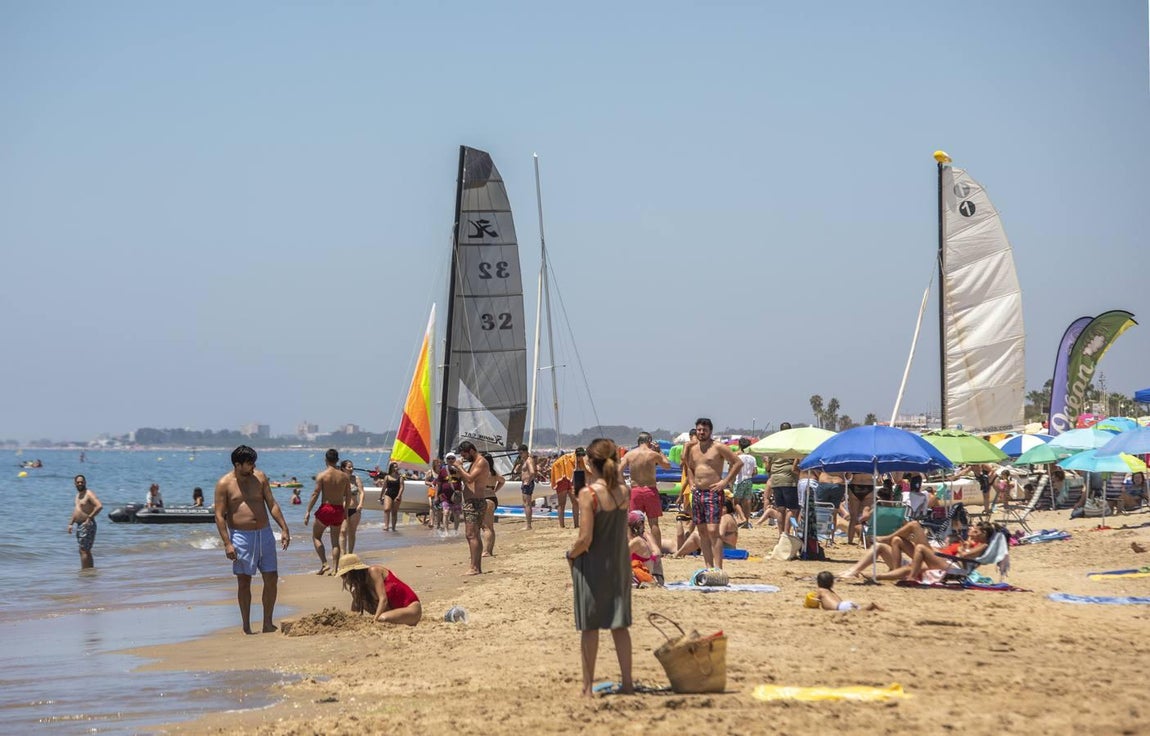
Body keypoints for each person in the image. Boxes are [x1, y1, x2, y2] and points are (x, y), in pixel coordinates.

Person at [566, 438, 632, 697]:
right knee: (619, 625)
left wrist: (570, 554)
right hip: (619, 565)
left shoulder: (588, 494)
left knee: (590, 627)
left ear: (589, 463)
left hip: (593, 565)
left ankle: (587, 688)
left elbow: (585, 539)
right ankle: (627, 684)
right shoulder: (624, 493)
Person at [213, 445, 291, 634]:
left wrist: (284, 528)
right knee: (244, 581)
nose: (253, 467)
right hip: (241, 536)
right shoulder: (224, 484)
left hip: (264, 533)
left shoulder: (260, 477)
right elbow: (219, 515)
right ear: (237, 465)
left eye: (254, 463)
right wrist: (227, 543)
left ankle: (267, 623)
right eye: (249, 464)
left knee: (271, 577)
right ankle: (246, 626)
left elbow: (271, 504)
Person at [682, 418, 742, 569]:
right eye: (699, 430)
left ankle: (718, 568)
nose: (701, 433)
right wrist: (691, 483)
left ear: (710, 431)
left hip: (713, 492)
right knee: (701, 531)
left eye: (704, 430)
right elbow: (689, 466)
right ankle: (708, 567)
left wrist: (725, 481)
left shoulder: (718, 447)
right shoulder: (693, 448)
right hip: (697, 492)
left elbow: (737, 462)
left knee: (713, 530)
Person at [620, 432, 671, 561]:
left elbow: (617, 470)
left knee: (633, 523)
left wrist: (623, 485)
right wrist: (660, 451)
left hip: (636, 490)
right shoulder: (652, 454)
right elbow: (667, 465)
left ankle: (632, 549)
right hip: (650, 490)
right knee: (654, 523)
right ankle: (657, 551)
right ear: (649, 441)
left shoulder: (630, 454)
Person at [336, 553, 422, 626]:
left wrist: (375, 620)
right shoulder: (361, 585)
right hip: (394, 611)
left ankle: (380, 618)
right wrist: (352, 619)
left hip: (411, 609)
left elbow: (383, 599)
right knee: (357, 594)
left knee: (382, 619)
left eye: (344, 575)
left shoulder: (374, 571)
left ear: (352, 572)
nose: (344, 579)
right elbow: (356, 604)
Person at [303, 449, 352, 576]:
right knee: (335, 541)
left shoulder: (322, 475)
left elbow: (315, 494)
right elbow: (348, 496)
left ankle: (325, 564)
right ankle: (335, 569)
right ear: (337, 460)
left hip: (326, 508)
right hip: (339, 510)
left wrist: (308, 510)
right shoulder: (345, 476)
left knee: (316, 536)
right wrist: (345, 512)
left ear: (326, 460)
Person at [450, 441, 491, 575]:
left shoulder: (480, 462)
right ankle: (476, 566)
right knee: (473, 535)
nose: (465, 458)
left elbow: (470, 479)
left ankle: (474, 567)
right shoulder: (475, 462)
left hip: (475, 502)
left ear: (471, 451)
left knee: (471, 535)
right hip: (472, 501)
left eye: (465, 455)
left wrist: (460, 466)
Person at [765, 422, 800, 537]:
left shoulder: (775, 443)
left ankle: (781, 534)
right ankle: (786, 533)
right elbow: (796, 461)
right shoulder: (793, 443)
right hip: (789, 479)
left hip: (775, 479)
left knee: (780, 509)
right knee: (792, 509)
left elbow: (768, 467)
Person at [68, 474, 103, 569]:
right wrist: (71, 523)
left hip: (87, 525)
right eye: (78, 482)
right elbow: (76, 510)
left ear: (85, 483)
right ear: (75, 483)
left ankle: (85, 571)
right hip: (80, 525)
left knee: (84, 550)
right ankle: (89, 571)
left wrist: (89, 518)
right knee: (84, 550)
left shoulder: (88, 493)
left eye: (82, 482)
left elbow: (99, 506)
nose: (80, 483)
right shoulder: (78, 495)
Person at [805, 571, 879, 611]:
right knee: (860, 610)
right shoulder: (832, 592)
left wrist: (810, 600)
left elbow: (814, 601)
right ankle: (871, 606)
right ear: (832, 583)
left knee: (859, 611)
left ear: (818, 582)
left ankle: (871, 606)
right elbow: (839, 600)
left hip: (840, 607)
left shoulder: (821, 590)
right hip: (845, 603)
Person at [627, 510, 661, 586]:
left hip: (642, 573)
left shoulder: (637, 541)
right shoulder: (641, 539)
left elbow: (620, 556)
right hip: (649, 572)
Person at [480, 452, 503, 557]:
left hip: (485, 498)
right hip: (492, 497)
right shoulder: (493, 472)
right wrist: (495, 490)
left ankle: (486, 551)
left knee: (486, 527)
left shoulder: (482, 472)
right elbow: (502, 481)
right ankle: (489, 550)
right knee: (490, 527)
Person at [340, 460, 365, 554]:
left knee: (352, 532)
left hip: (355, 509)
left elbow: (362, 492)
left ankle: (350, 553)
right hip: (343, 510)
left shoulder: (356, 479)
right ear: (343, 468)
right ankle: (343, 554)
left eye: (352, 467)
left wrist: (361, 503)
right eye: (349, 467)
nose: (351, 469)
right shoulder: (340, 479)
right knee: (342, 531)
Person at [731, 437, 757, 528]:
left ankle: (742, 518)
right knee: (747, 501)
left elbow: (732, 469)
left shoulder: (738, 457)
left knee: (736, 502)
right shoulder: (752, 458)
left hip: (739, 480)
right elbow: (755, 472)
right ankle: (747, 521)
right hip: (749, 480)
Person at [513, 444, 538, 529]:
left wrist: (528, 481)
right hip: (525, 483)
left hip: (528, 483)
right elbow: (521, 471)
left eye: (521, 453)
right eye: (519, 453)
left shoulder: (529, 460)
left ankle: (528, 525)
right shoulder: (524, 460)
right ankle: (528, 524)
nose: (520, 455)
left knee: (527, 504)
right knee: (525, 503)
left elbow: (532, 472)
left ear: (525, 452)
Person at [379, 461, 405, 532]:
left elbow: (402, 487)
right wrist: (381, 496)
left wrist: (399, 496)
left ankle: (393, 527)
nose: (396, 468)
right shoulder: (387, 477)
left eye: (397, 467)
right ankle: (386, 526)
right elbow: (384, 488)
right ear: (391, 468)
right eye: (395, 467)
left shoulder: (400, 477)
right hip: (388, 494)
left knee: (394, 512)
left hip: (397, 495)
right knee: (386, 509)